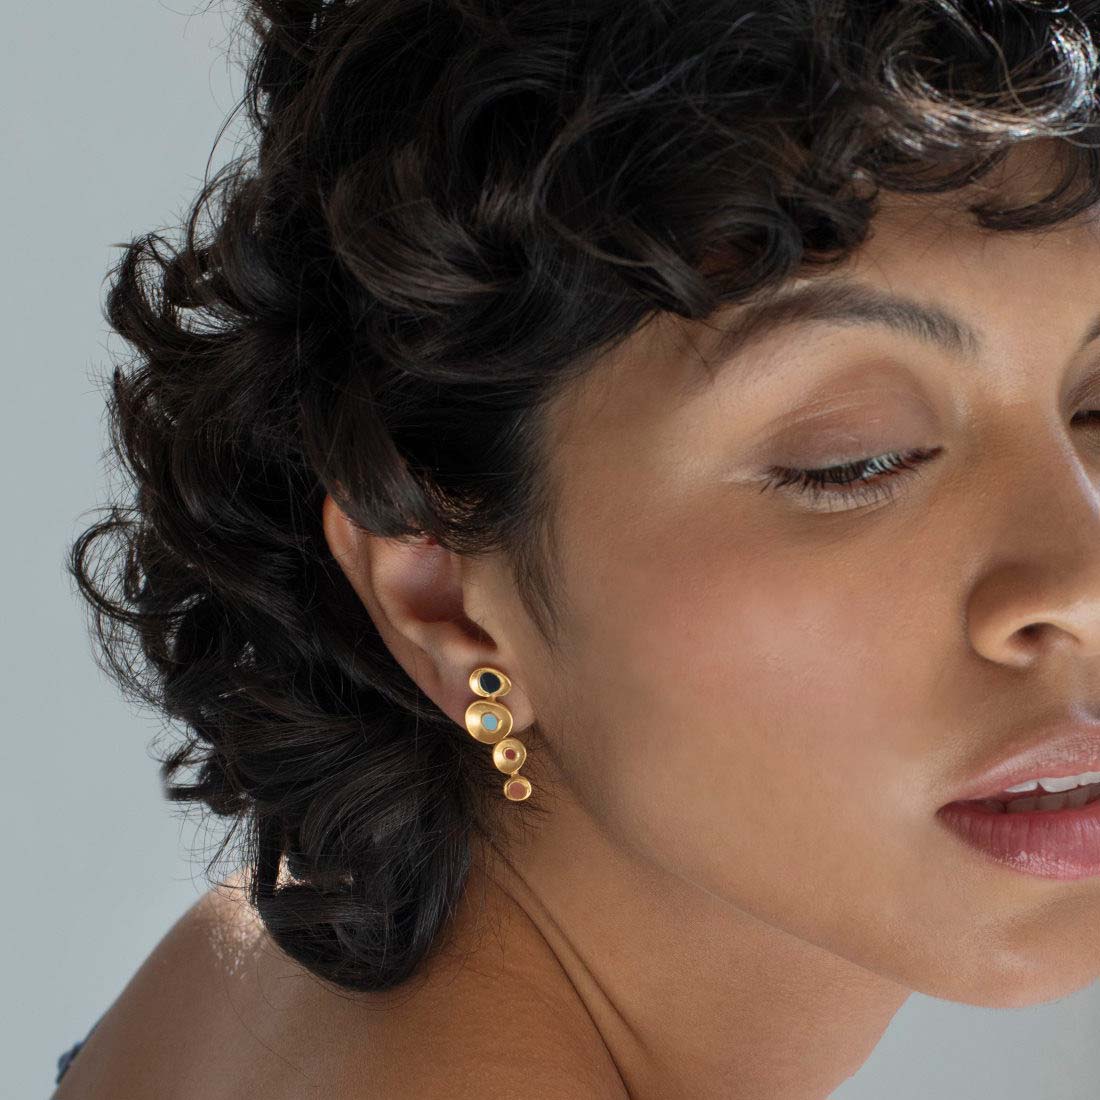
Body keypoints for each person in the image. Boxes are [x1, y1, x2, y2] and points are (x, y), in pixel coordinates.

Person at [57, 1, 1100, 1097]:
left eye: (1094, 404)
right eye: (855, 458)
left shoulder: (281, 950)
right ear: (440, 596)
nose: (1079, 577)